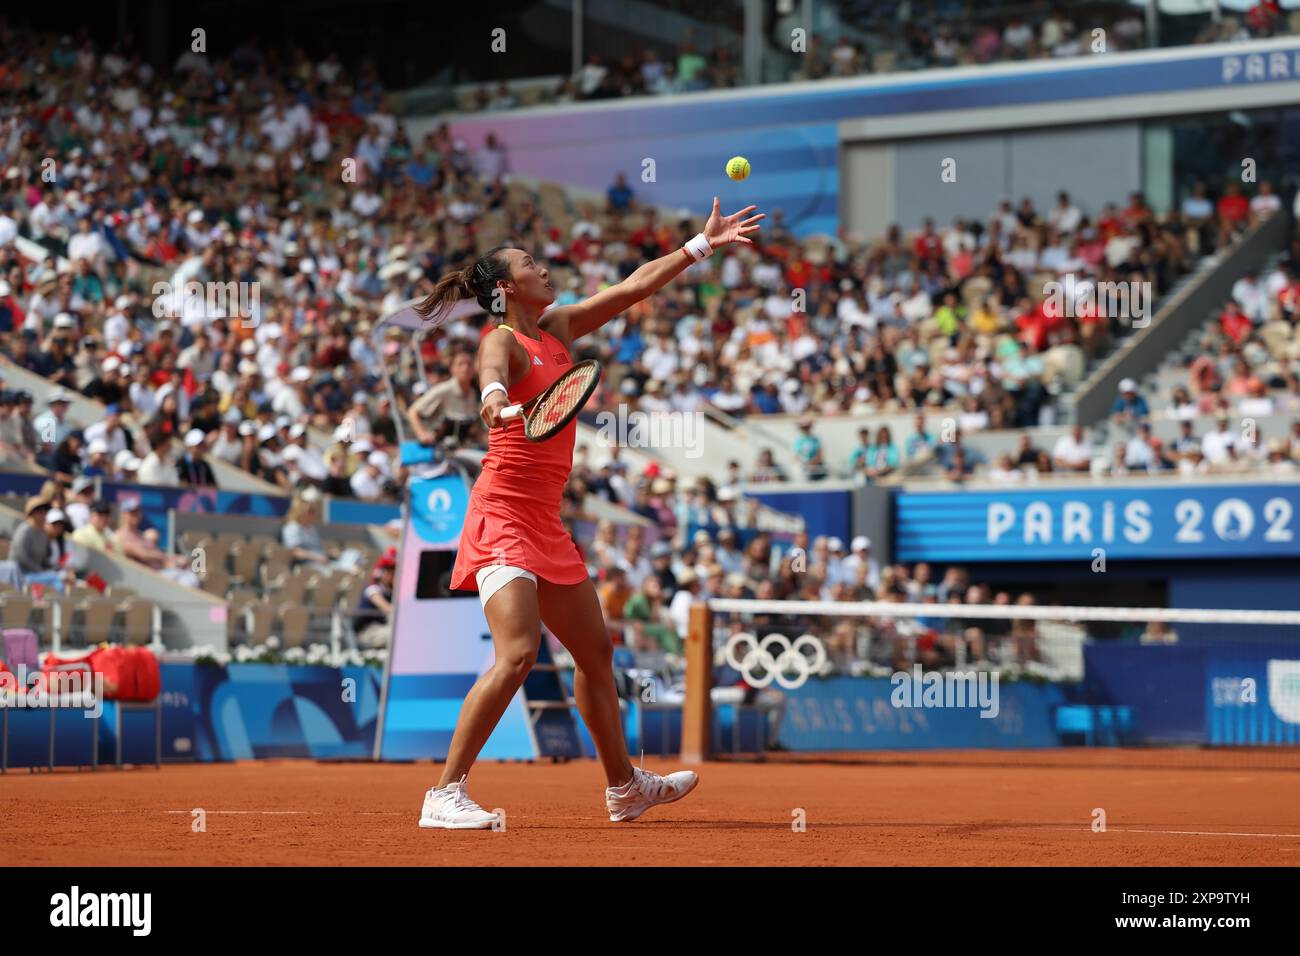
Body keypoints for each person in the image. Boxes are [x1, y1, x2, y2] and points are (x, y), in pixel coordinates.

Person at [411, 196, 763, 829]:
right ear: (503, 289)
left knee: (596, 655)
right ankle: (444, 793)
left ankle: (623, 786)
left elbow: (632, 288)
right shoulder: (504, 338)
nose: (544, 269)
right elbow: (492, 374)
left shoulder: (561, 329)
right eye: (529, 264)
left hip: (546, 522)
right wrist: (495, 401)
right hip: (501, 517)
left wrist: (701, 245)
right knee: (517, 654)